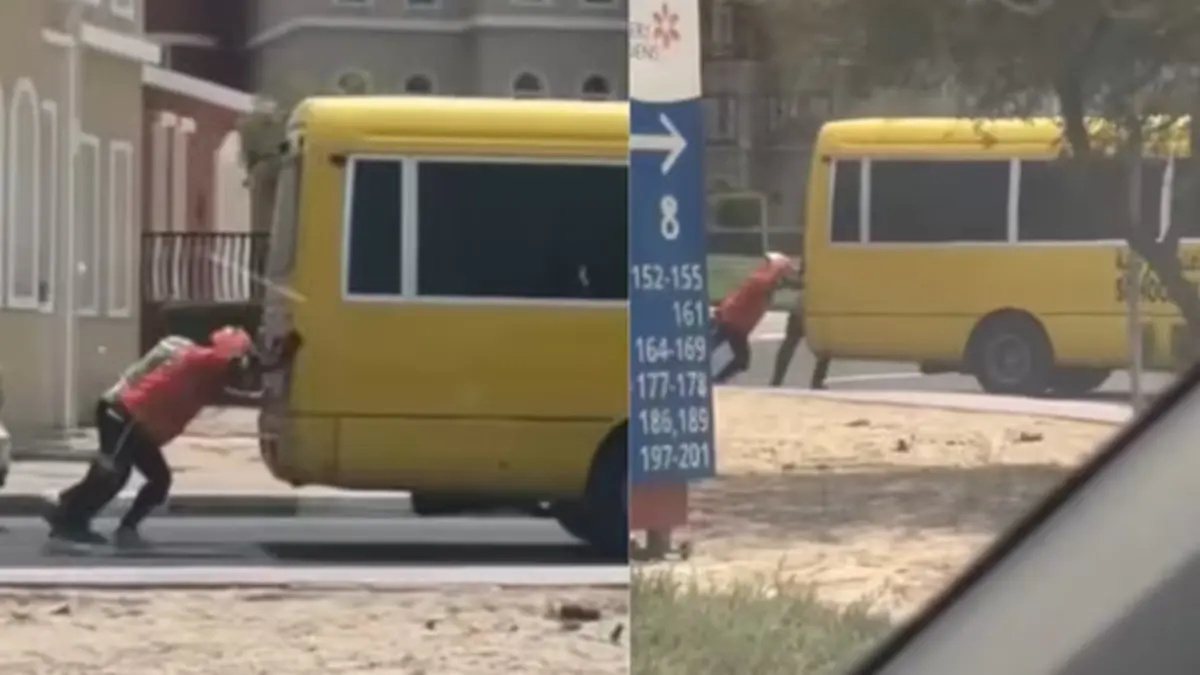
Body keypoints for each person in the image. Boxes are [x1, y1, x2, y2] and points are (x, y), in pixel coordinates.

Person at [44, 326, 301, 548]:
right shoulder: (202, 360)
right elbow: (249, 371)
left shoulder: (211, 378)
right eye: (242, 358)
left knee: (158, 480)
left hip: (138, 426)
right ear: (232, 356)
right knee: (111, 473)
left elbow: (240, 390)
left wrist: (279, 364)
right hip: (127, 415)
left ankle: (120, 528)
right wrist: (277, 359)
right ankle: (68, 518)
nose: (243, 366)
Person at [711, 251, 802, 384]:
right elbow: (769, 282)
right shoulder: (759, 281)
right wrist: (779, 271)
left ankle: (714, 378)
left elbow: (780, 284)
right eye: (783, 275)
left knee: (734, 357)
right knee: (740, 358)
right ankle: (714, 379)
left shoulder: (765, 284)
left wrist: (797, 283)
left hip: (735, 326)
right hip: (730, 323)